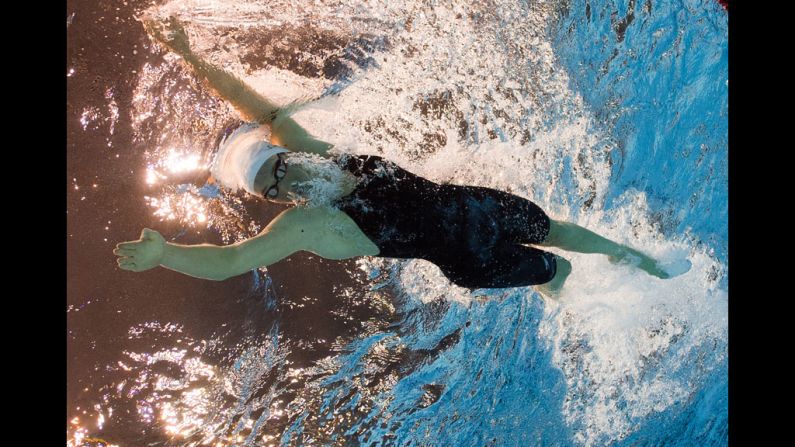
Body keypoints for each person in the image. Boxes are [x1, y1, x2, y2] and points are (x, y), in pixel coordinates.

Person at [114, 17, 673, 296]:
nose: (289, 183)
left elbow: (251, 104)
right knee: (558, 266)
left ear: (287, 154)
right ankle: (560, 289)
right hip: (472, 262)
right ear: (277, 200)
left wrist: (188, 55)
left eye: (281, 167)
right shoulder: (312, 224)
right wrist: (166, 255)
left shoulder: (323, 159)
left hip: (478, 206)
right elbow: (235, 259)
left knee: (557, 228)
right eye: (274, 189)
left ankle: (641, 259)